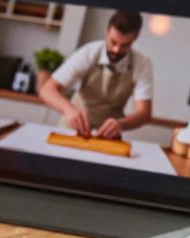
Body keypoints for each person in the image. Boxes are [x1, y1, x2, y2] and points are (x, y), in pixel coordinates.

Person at [38, 10, 154, 140]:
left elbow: (144, 113)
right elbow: (46, 90)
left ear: (135, 38)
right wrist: (68, 109)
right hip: (72, 129)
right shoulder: (88, 52)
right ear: (107, 32)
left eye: (125, 45)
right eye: (113, 42)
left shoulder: (142, 64)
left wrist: (122, 124)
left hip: (108, 137)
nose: (116, 50)